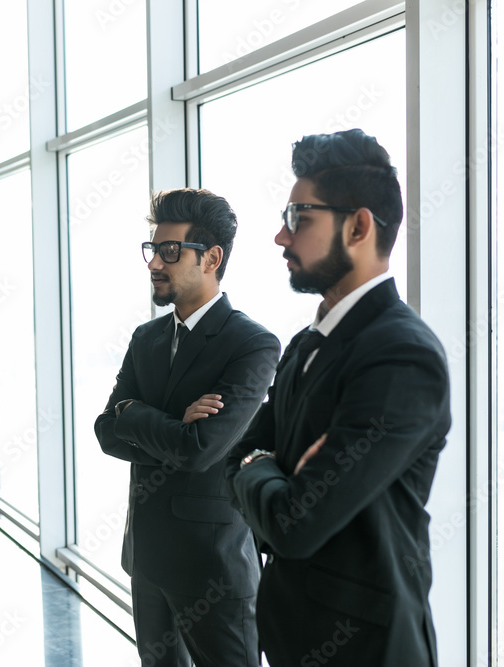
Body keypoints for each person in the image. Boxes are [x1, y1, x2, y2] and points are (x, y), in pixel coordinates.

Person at [226, 129, 451, 666]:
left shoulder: (402, 356)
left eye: (299, 217)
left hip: (366, 648)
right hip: (292, 633)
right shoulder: (306, 344)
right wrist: (266, 465)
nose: (281, 237)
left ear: (358, 225)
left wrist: (257, 463)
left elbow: (295, 523)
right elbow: (234, 455)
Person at [94, 188, 280, 666]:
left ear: (212, 257)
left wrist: (135, 413)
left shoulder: (252, 345)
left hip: (213, 570)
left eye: (170, 251)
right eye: (153, 249)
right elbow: (104, 431)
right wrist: (174, 426)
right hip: (147, 561)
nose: (155, 262)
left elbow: (202, 449)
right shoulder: (147, 338)